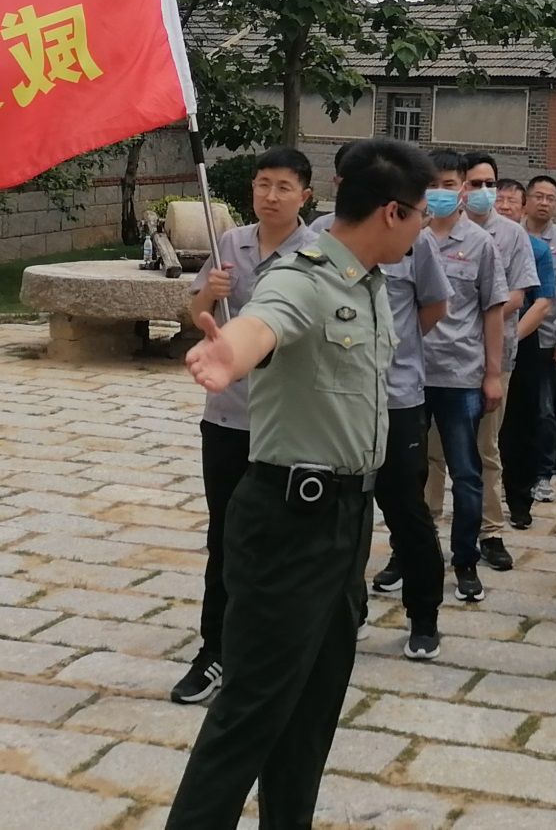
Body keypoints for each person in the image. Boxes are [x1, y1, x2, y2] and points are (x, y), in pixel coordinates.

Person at [164, 135, 435, 830]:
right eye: (421, 214)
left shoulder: (370, 282)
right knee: (250, 713)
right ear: (390, 211)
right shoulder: (305, 274)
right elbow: (266, 320)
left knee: (311, 716)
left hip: (345, 522)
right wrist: (232, 350)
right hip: (289, 521)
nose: (424, 228)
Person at [172, 145, 315, 707]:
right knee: (226, 537)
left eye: (282, 186)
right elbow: (195, 312)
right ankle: (216, 649)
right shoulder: (228, 244)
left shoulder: (319, 254)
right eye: (262, 185)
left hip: (290, 422)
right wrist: (210, 292)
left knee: (286, 539)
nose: (270, 196)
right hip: (230, 417)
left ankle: (284, 644)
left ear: (305, 194)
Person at [307, 146, 452, 662]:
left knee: (407, 512)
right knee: (343, 514)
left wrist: (392, 351)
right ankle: (349, 612)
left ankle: (424, 615)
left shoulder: (413, 242)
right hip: (338, 403)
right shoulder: (319, 238)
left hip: (396, 400)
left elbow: (431, 308)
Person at [420, 153, 508, 605]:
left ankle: (465, 559)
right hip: (410, 378)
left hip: (461, 375)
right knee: (411, 472)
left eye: (448, 183)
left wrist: (493, 374)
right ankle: (411, 553)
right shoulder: (408, 238)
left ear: (462, 190)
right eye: (432, 182)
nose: (440, 190)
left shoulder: (480, 243)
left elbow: (493, 309)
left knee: (467, 473)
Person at [460, 152, 544, 571]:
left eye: (489, 183)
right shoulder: (434, 231)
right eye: (474, 183)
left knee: (486, 447)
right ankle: (425, 532)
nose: (483, 192)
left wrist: (473, 316)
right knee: (437, 453)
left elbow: (517, 294)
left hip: (497, 355)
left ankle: (490, 531)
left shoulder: (512, 234)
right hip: (444, 359)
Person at [518, 173, 556, 505]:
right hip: (511, 341)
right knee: (515, 412)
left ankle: (543, 474)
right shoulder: (511, 236)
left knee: (544, 410)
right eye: (538, 196)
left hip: (546, 338)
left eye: (549, 197)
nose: (543, 202)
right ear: (527, 199)